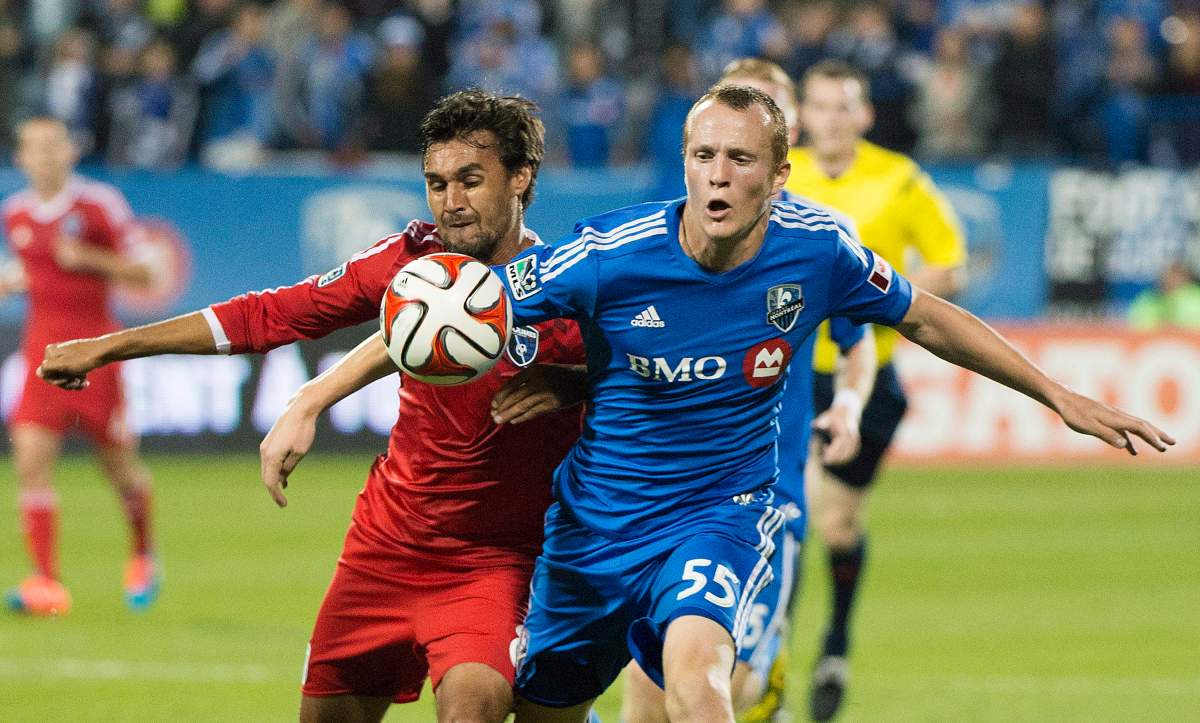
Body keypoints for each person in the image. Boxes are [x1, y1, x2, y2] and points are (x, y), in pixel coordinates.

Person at [491, 84, 1169, 722]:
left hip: (719, 516)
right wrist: (397, 349)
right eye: (703, 156)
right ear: (685, 163)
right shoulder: (608, 252)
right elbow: (464, 311)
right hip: (597, 526)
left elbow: (926, 317)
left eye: (740, 158)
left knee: (699, 689)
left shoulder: (819, 250)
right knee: (548, 710)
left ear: (780, 175)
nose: (718, 175)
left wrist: (1057, 394)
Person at [36, 90, 589, 723]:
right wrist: (112, 346)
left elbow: (666, 374)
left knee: (474, 706)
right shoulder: (410, 265)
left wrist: (575, 385)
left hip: (493, 563)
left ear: (521, 178)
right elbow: (273, 313)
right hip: (385, 548)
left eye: (471, 180)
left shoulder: (573, 286)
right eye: (436, 184)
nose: (451, 203)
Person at [619, 57, 879, 723]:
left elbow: (860, 344)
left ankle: (768, 681)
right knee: (649, 703)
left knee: (717, 686)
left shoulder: (821, 243)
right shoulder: (667, 234)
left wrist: (848, 404)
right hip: (659, 506)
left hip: (763, 504)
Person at [787, 58, 969, 721]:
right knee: (792, 516)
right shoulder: (782, 177)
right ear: (801, 114)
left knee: (836, 521)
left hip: (868, 377)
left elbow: (949, 263)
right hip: (789, 372)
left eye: (845, 106)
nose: (832, 118)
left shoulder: (899, 180)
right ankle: (771, 656)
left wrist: (880, 293)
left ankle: (834, 642)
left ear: (864, 115)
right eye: (820, 105)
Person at [0, 117, 159, 616]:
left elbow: (145, 270)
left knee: (116, 467)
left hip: (95, 354)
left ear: (70, 151)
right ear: (20, 157)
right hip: (41, 356)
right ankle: (46, 582)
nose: (44, 156)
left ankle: (142, 553)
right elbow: (33, 267)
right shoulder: (15, 213)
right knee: (29, 459)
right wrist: (18, 279)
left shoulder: (99, 204)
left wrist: (88, 258)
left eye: (53, 146)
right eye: (33, 148)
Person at [1127, 261, 1200, 330]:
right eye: (1167, 277)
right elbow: (1134, 323)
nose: (1171, 281)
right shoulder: (1149, 298)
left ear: (1186, 278)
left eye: (1176, 277)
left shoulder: (1195, 297)